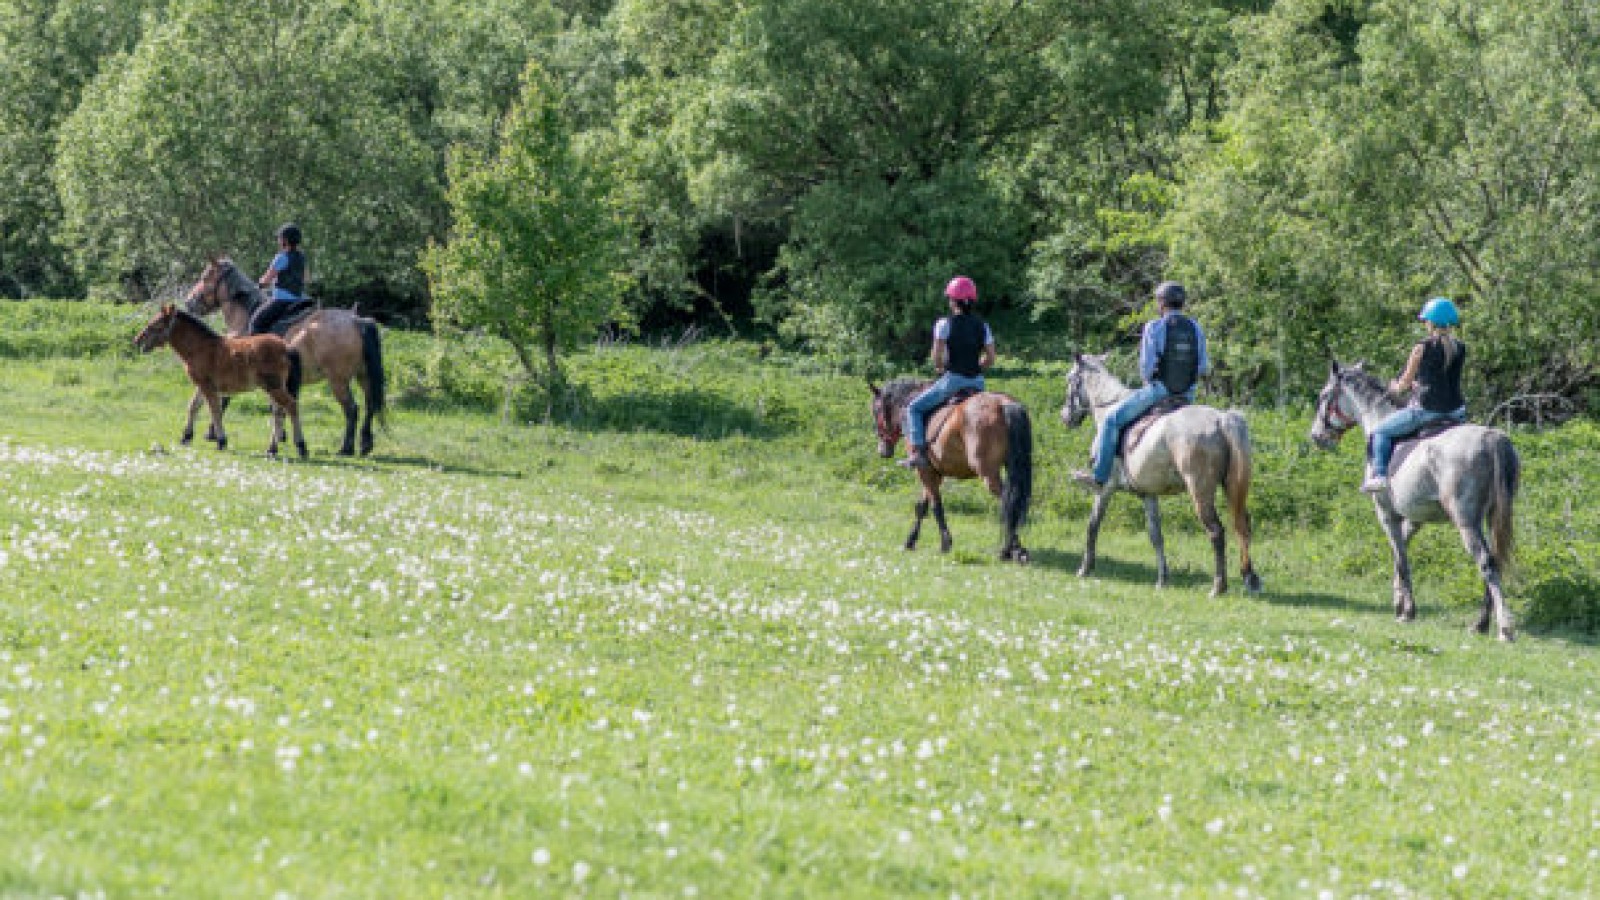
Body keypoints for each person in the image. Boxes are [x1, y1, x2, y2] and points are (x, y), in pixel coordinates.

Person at [1072, 281, 1209, 489]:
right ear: (1181, 303)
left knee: (1111, 420)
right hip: (1187, 396)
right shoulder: (1195, 328)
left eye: (1157, 300)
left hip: (1160, 391)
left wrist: (1151, 383)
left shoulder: (1155, 327)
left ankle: (1099, 477)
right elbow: (1202, 366)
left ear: (1162, 302)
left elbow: (1146, 368)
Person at [1360, 297, 1468, 493]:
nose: (1425, 323)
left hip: (1427, 409)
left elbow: (1404, 384)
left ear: (1432, 322)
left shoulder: (1421, 347)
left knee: (1380, 432)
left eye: (1426, 320)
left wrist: (1395, 387)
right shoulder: (1460, 347)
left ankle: (1380, 475)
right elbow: (1441, 375)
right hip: (1456, 411)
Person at [899, 276, 997, 470]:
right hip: (977, 383)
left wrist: (939, 367)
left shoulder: (944, 324)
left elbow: (936, 355)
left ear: (953, 301)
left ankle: (918, 453)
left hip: (952, 381)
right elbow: (991, 358)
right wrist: (978, 367)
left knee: (914, 408)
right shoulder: (982, 326)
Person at [249, 223, 308, 335]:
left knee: (255, 322)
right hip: (299, 298)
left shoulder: (281, 257)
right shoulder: (301, 256)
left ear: (285, 240)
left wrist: (259, 284)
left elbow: (266, 279)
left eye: (280, 238)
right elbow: (306, 278)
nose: (278, 240)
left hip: (282, 300)